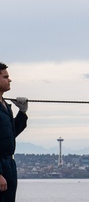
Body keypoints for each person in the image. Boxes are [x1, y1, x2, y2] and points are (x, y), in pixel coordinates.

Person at [0, 62, 28, 202]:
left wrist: (22, 113)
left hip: (9, 164)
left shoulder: (5, 105)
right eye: (5, 77)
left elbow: (11, 134)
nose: (9, 80)